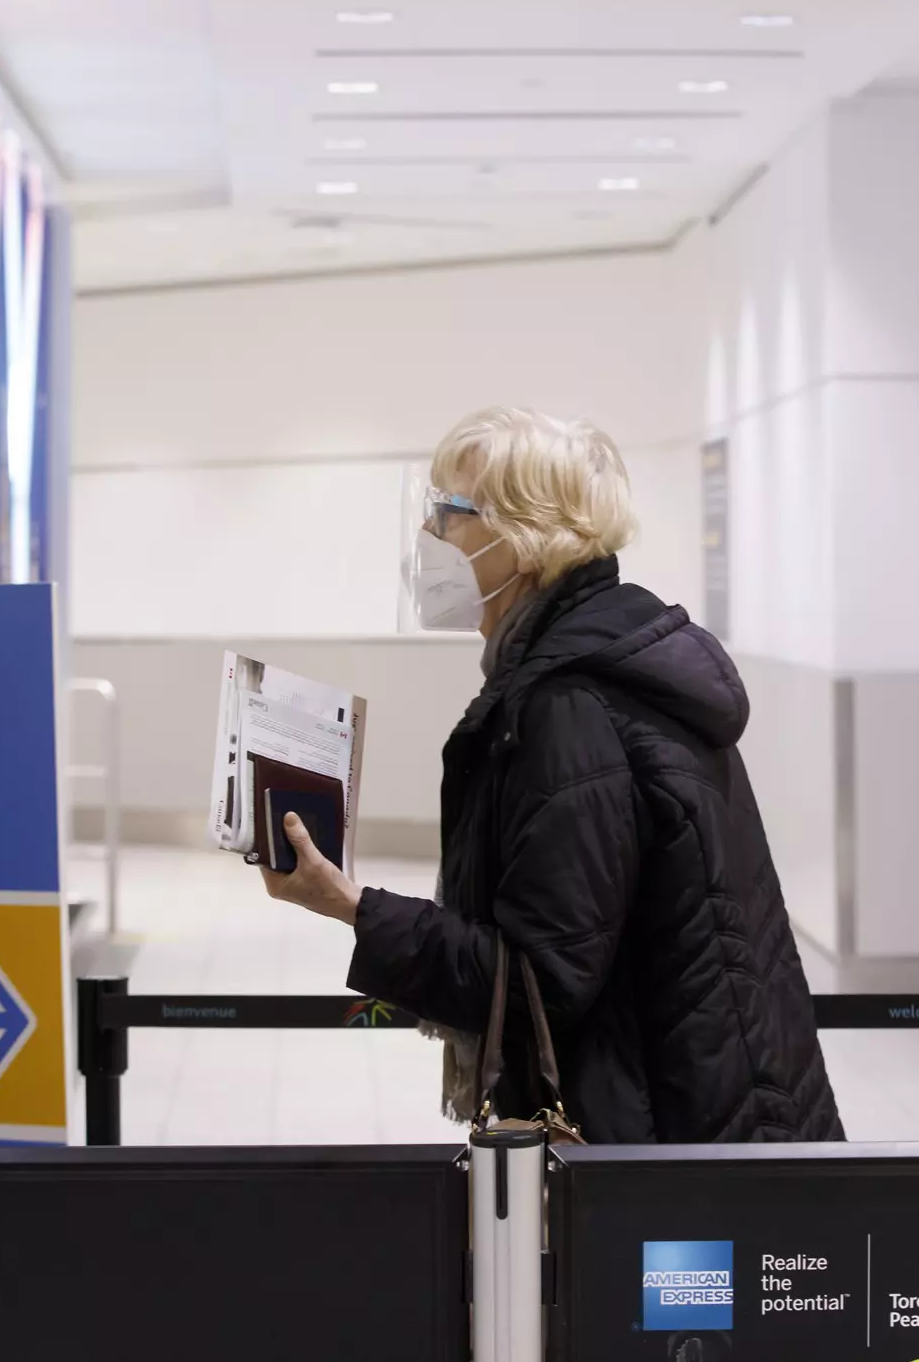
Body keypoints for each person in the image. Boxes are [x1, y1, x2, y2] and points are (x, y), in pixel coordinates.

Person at [261, 405, 842, 1143]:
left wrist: (351, 905)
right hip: (700, 1114)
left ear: (523, 536)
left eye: (449, 512)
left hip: (667, 1148)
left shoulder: (569, 705)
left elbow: (537, 977)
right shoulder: (599, 663)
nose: (428, 538)